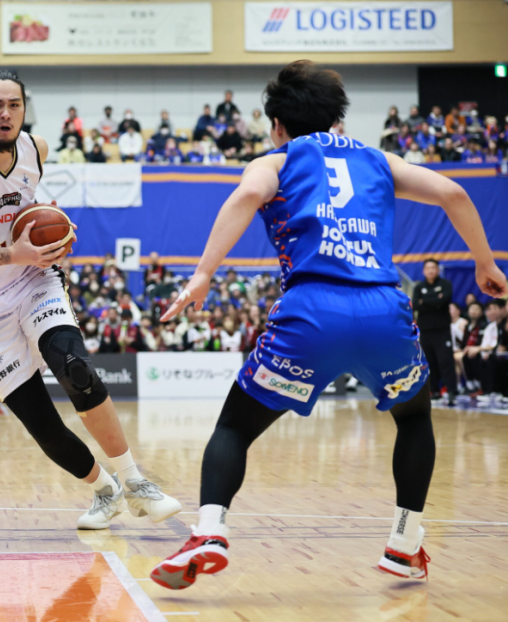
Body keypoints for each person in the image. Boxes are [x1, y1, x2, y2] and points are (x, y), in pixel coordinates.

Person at [150, 60, 507, 591]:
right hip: (384, 311)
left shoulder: (277, 159)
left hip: (311, 313)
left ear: (277, 124)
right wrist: (484, 262)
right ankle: (404, 543)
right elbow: (454, 193)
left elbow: (246, 197)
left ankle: (210, 531)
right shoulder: (378, 159)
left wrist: (203, 274)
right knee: (414, 418)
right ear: (338, 117)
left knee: (235, 429)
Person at [0, 69, 182, 531]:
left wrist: (54, 233)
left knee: (75, 368)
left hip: (33, 279)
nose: (5, 114)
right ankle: (106, 491)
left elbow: (27, 214)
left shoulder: (35, 149)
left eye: (14, 105)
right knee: (41, 424)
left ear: (24, 109)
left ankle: (136, 483)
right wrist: (10, 253)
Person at [413, 260, 459, 404]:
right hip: (425, 331)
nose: (431, 270)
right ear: (423, 271)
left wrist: (425, 301)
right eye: (428, 268)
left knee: (445, 361)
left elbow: (444, 300)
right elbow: (416, 304)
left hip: (442, 330)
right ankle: (434, 390)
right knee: (429, 362)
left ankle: (451, 391)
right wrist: (435, 300)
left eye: (433, 267)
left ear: (438, 270)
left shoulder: (445, 284)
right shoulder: (419, 287)